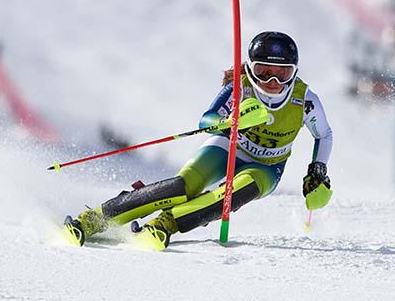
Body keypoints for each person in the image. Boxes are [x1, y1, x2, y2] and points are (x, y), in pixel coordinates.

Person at [63, 30, 333, 250]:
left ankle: (164, 225)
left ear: (293, 72)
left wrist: (317, 169)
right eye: (263, 71)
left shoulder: (305, 100)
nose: (272, 81)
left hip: (266, 167)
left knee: (231, 195)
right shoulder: (240, 88)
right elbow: (207, 119)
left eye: (282, 73)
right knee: (183, 186)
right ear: (251, 68)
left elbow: (324, 134)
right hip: (226, 148)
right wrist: (227, 125)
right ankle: (93, 219)